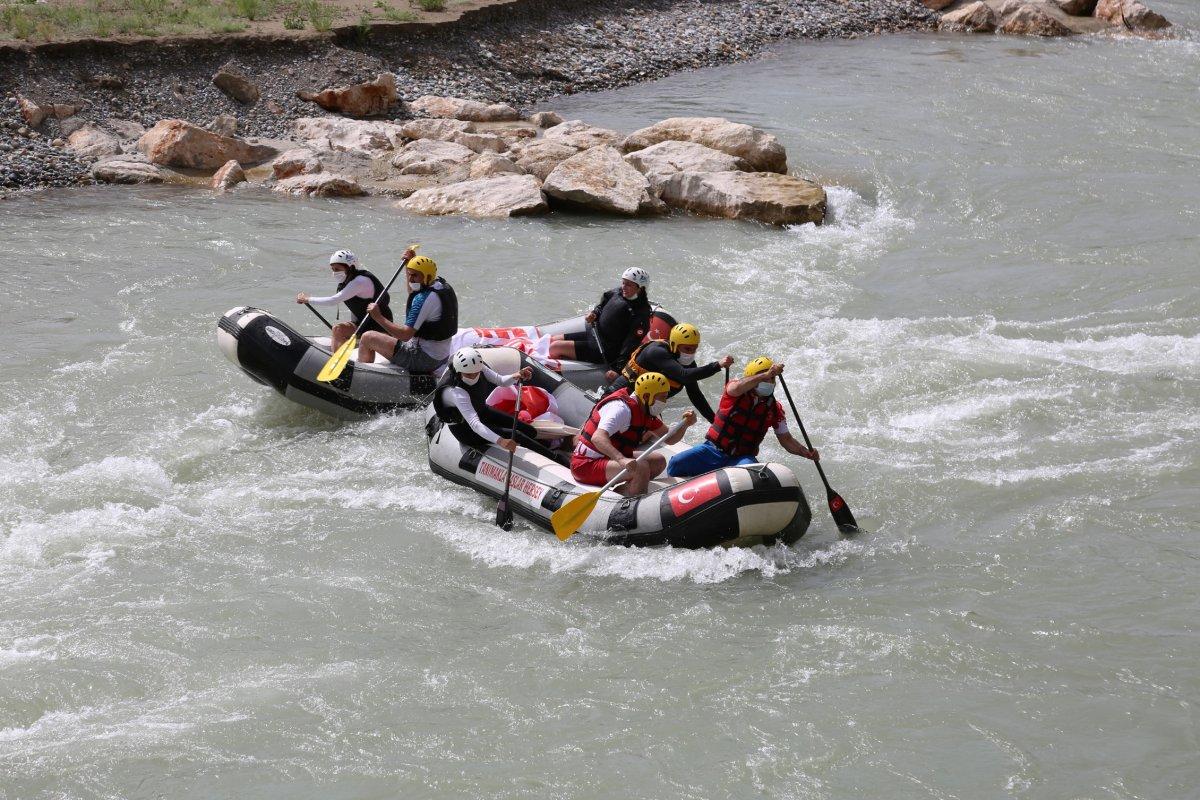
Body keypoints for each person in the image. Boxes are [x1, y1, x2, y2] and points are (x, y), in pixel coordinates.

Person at [667, 357, 819, 477]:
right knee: (676, 463)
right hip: (713, 450)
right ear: (752, 378)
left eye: (772, 379)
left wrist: (805, 452)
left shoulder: (775, 409)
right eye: (764, 378)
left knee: (753, 476)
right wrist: (766, 374)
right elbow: (736, 388)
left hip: (741, 458)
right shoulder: (734, 390)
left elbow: (786, 439)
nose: (769, 381)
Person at [571, 372, 696, 496]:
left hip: (607, 457)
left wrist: (685, 425)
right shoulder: (621, 409)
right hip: (586, 465)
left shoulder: (645, 409)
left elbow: (670, 438)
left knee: (658, 461)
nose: (665, 401)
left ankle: (626, 491)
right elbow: (598, 438)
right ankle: (633, 499)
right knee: (640, 467)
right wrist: (621, 459)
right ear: (647, 396)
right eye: (662, 397)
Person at [432, 347, 551, 456]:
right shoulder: (456, 392)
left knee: (528, 430)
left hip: (482, 411)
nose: (473, 376)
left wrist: (516, 375)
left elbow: (500, 380)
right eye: (468, 375)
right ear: (459, 372)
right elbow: (475, 424)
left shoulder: (478, 367)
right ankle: (555, 458)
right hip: (465, 429)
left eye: (476, 373)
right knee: (517, 435)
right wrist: (500, 441)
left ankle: (545, 450)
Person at [608, 323, 733, 423]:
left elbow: (696, 396)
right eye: (687, 348)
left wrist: (715, 422)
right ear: (674, 344)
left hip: (646, 407)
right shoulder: (657, 351)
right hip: (620, 397)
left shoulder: (688, 363)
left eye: (694, 349)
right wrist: (717, 365)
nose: (691, 353)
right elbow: (684, 375)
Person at [358, 251, 458, 373]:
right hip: (442, 355)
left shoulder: (423, 299)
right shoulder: (441, 286)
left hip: (423, 359)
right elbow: (413, 291)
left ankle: (361, 375)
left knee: (368, 337)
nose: (410, 279)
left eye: (414, 275)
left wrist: (378, 316)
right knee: (385, 333)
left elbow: (405, 336)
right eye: (409, 274)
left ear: (427, 277)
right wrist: (410, 264)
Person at [548, 267, 653, 381]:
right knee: (552, 339)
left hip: (604, 349)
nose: (624, 287)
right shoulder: (617, 292)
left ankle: (556, 374)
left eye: (629, 285)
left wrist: (617, 369)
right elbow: (601, 306)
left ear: (640, 288)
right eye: (623, 282)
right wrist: (595, 313)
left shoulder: (640, 314)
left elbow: (630, 345)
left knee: (554, 347)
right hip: (594, 333)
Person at [296, 249, 392, 352]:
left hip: (380, 326)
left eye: (337, 269)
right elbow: (355, 306)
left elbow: (333, 301)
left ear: (350, 267)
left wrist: (307, 299)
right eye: (333, 269)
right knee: (337, 329)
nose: (334, 273)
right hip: (361, 324)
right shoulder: (347, 282)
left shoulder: (360, 281)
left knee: (344, 331)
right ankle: (335, 358)